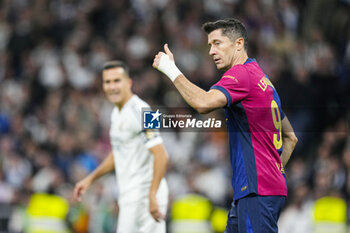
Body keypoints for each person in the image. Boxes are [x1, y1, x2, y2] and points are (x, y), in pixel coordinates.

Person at [152, 18, 298, 233]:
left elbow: (202, 103)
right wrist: (274, 172)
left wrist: (170, 69)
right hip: (254, 190)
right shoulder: (264, 81)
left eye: (217, 43)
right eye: (210, 44)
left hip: (256, 191)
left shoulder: (241, 75)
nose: (211, 51)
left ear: (238, 44)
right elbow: (291, 138)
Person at [73, 61, 169, 233]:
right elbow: (117, 153)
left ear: (128, 83)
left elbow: (161, 154)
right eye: (107, 82)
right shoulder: (115, 113)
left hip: (145, 196)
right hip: (129, 195)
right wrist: (90, 179)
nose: (112, 86)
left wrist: (152, 194)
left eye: (117, 81)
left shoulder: (144, 110)